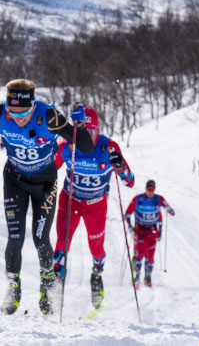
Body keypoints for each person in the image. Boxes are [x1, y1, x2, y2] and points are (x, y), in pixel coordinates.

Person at [0, 83, 94, 316]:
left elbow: (84, 147)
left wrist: (79, 126)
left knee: (41, 238)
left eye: (23, 113)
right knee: (16, 237)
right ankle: (13, 287)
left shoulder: (49, 116)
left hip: (44, 184)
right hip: (15, 181)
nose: (18, 118)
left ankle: (48, 285)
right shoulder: (0, 113)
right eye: (13, 112)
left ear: (33, 106)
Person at [51, 107, 134, 311]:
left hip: (96, 205)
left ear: (98, 130)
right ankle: (56, 285)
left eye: (90, 132)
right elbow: (50, 169)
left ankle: (97, 274)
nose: (86, 137)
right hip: (70, 201)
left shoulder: (109, 147)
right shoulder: (68, 145)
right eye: (82, 132)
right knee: (62, 243)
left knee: (96, 248)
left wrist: (120, 166)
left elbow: (129, 182)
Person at [124, 179, 175, 288]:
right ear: (145, 189)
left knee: (150, 256)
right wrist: (130, 227)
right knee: (139, 254)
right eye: (148, 189)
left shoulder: (158, 199)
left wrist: (168, 210)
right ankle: (136, 277)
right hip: (139, 231)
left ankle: (148, 277)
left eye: (152, 189)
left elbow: (169, 211)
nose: (150, 191)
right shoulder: (138, 199)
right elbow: (127, 214)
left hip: (152, 232)